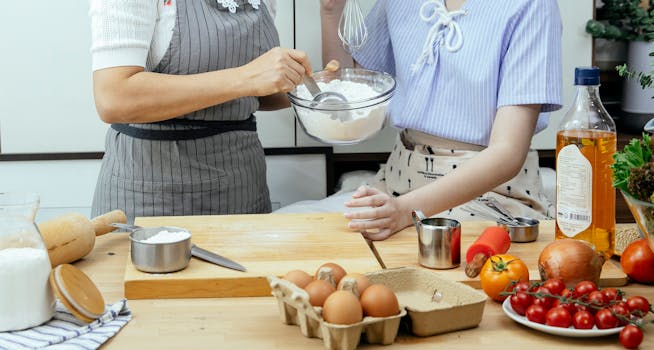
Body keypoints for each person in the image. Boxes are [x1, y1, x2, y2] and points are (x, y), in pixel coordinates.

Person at [318, 0, 563, 240]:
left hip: (491, 196)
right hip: (397, 182)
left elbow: (507, 152)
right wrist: (331, 9)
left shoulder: (532, 5)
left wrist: (404, 211)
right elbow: (350, 100)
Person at [88, 0, 313, 223]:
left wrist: (316, 90)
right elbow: (114, 97)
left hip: (243, 190)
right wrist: (247, 77)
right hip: (151, 196)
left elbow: (252, 91)